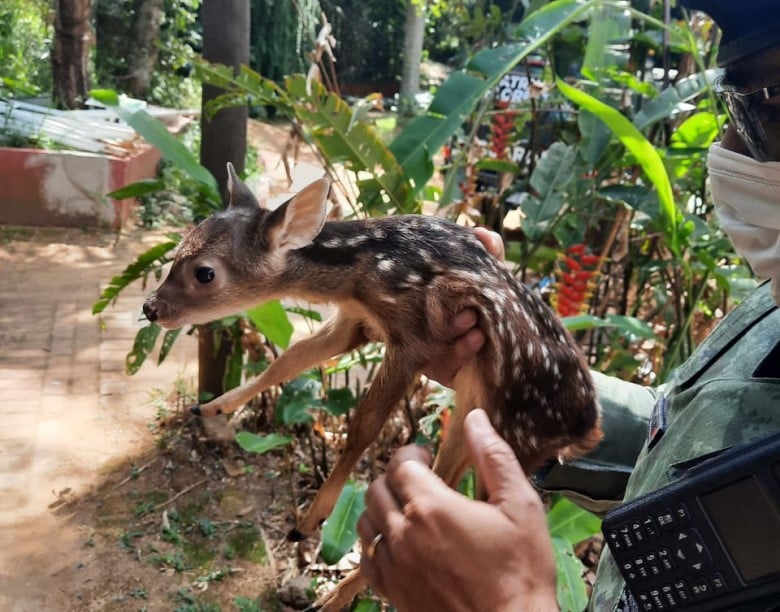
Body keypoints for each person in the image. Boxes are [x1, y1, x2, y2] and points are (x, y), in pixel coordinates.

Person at [356, 1, 780, 610]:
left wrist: (511, 602)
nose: (729, 146)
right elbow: (690, 430)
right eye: (733, 108)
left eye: (771, 103)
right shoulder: (771, 306)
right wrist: (521, 374)